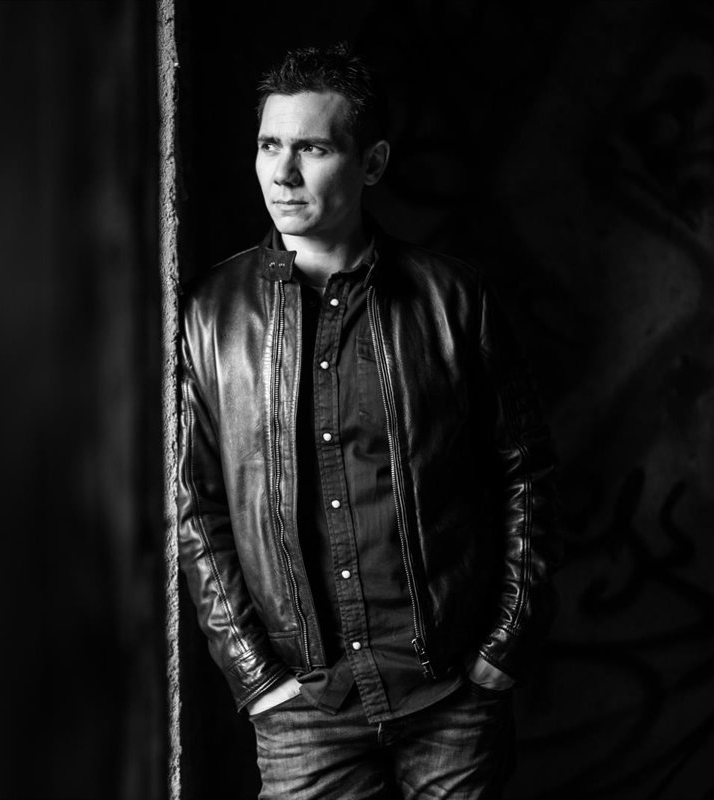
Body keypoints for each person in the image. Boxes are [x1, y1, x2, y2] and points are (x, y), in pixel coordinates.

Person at [176, 43, 561, 799]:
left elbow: (526, 474)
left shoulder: (453, 300)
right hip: (304, 708)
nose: (283, 174)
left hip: (450, 693)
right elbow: (198, 507)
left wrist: (504, 646)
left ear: (372, 163)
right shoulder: (211, 314)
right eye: (269, 145)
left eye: (313, 149)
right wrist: (257, 678)